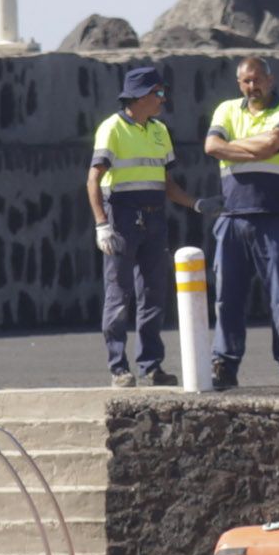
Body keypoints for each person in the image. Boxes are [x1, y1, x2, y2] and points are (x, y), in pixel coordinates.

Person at [86, 64, 207, 387]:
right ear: (141, 96)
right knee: (119, 293)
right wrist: (102, 224)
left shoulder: (159, 131)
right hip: (122, 218)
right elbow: (93, 179)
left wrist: (194, 203)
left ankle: (151, 365)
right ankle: (118, 367)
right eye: (159, 93)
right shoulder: (112, 128)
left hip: (154, 217)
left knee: (153, 294)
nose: (163, 100)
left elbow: (165, 182)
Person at [203, 57, 279, 388]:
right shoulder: (226, 110)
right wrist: (254, 149)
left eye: (258, 80)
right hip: (232, 217)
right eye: (246, 82)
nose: (253, 87)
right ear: (240, 84)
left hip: (273, 217)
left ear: (271, 79)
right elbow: (211, 146)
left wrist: (232, 147)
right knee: (227, 297)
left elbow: (272, 144)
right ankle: (225, 363)